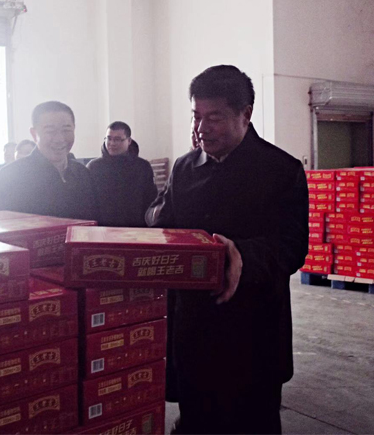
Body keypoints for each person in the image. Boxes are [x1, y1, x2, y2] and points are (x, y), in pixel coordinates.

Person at [147, 65, 308, 434]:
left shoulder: (280, 170)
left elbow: (292, 246)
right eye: (196, 116)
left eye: (214, 118)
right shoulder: (185, 168)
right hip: (193, 327)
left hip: (253, 332)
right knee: (196, 421)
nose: (202, 128)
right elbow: (163, 222)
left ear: (245, 114)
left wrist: (242, 255)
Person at [0, 101, 98, 221]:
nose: (59, 139)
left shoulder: (83, 174)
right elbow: (0, 227)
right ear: (34, 134)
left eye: (66, 130)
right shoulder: (10, 176)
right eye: (50, 131)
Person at [86, 121, 158, 227]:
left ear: (129, 141)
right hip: (102, 228)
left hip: (136, 228)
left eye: (117, 139)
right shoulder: (94, 167)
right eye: (109, 138)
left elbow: (150, 200)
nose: (112, 143)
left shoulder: (142, 167)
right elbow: (88, 203)